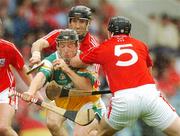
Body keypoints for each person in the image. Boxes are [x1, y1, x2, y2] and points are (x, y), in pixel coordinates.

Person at [70, 16, 180, 136]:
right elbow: (149, 72)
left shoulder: (103, 48)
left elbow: (74, 62)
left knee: (98, 133)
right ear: (130, 32)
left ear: (109, 32)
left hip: (123, 101)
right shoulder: (140, 45)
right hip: (150, 96)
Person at [22, 29, 105, 136]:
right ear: (57, 47)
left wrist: (67, 69)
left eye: (70, 46)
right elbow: (41, 75)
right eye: (62, 46)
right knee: (52, 123)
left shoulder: (86, 59)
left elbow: (87, 89)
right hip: (65, 104)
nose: (65, 50)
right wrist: (31, 91)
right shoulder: (52, 59)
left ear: (77, 46)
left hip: (89, 105)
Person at [0, 20, 32, 136]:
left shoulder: (8, 48)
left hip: (5, 91)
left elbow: (22, 69)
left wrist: (34, 90)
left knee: (3, 128)